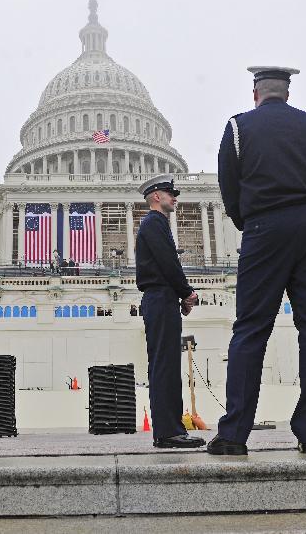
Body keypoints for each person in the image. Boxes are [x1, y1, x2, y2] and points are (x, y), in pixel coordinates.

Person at [210, 65, 306, 456]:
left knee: (250, 328)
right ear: (287, 92)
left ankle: (234, 433)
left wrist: (250, 221)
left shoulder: (237, 127)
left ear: (255, 93)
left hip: (265, 227)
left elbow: (229, 187)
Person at [135, 174, 203, 449]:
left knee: (167, 365)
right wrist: (187, 293)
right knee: (165, 366)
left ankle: (170, 429)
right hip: (160, 297)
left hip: (163, 298)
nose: (175, 198)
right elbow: (168, 262)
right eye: (169, 193)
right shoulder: (154, 223)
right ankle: (168, 432)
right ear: (156, 197)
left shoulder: (156, 224)